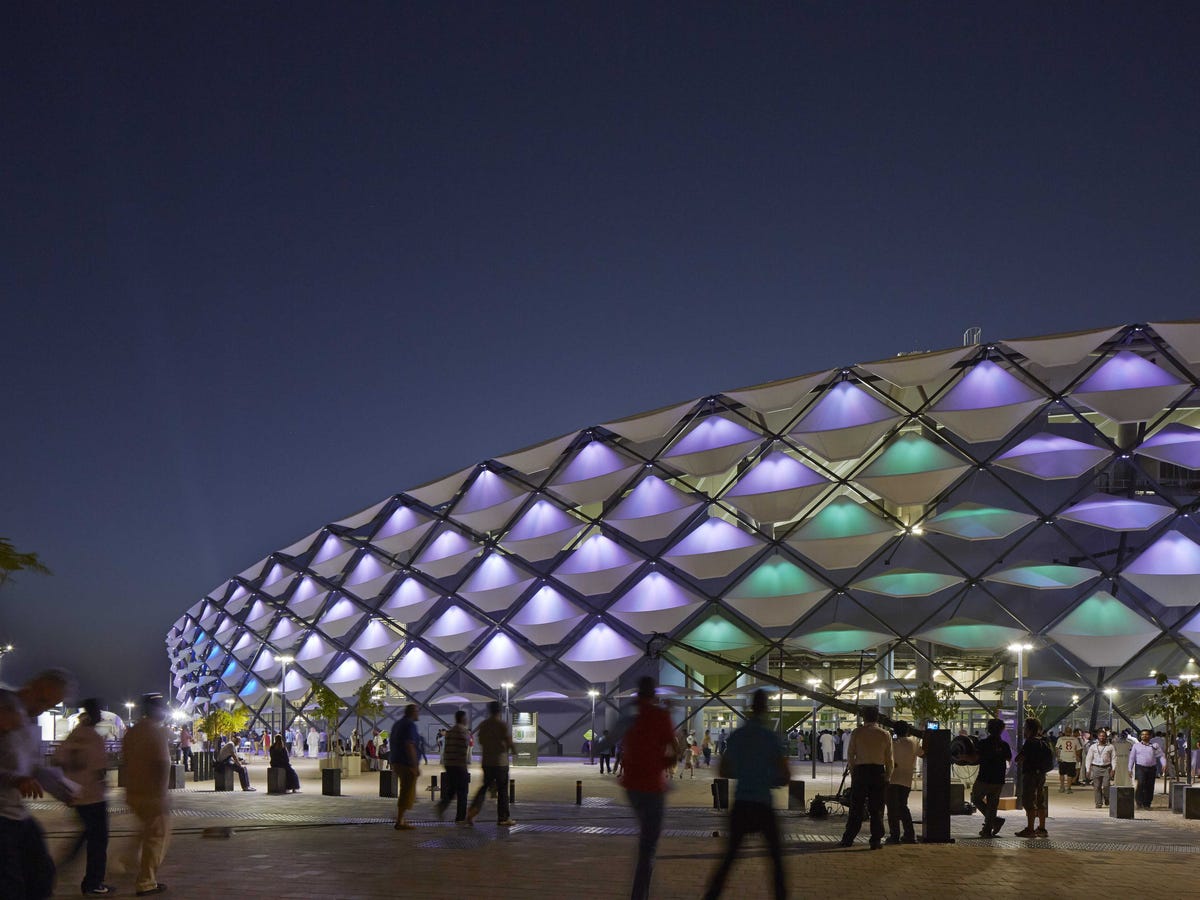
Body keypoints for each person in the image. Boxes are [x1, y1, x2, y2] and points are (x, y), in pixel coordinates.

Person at [701, 690, 788, 900]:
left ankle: (711, 896)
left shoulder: (737, 736)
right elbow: (785, 775)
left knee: (729, 858)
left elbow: (723, 771)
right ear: (766, 709)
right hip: (763, 804)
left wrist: (744, 771)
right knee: (776, 860)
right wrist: (768, 778)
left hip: (741, 803)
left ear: (750, 708)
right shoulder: (771, 737)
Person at [0, 669, 76, 899]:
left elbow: (32, 767)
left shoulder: (32, 724)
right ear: (30, 687)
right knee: (10, 884)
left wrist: (61, 788)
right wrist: (17, 779)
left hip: (17, 815)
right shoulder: (5, 706)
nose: (42, 708)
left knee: (41, 875)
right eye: (43, 700)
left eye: (51, 704)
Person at [618, 677, 676, 900]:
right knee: (648, 846)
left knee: (645, 837)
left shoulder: (630, 716)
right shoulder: (661, 716)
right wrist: (663, 762)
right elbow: (673, 751)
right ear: (654, 693)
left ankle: (640, 893)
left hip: (631, 786)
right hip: (652, 786)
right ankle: (639, 895)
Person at [54, 698, 114, 895]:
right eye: (98, 712)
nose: (100, 716)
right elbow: (100, 771)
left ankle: (66, 862)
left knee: (88, 834)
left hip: (78, 796)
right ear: (92, 713)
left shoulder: (75, 734)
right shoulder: (93, 737)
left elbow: (59, 759)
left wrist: (71, 781)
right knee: (98, 841)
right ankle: (93, 883)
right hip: (94, 797)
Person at [122, 694, 171, 896]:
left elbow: (124, 760)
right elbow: (162, 763)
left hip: (133, 791)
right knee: (157, 838)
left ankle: (127, 859)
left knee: (147, 831)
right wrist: (162, 795)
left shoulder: (132, 732)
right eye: (162, 708)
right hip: (152, 794)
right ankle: (146, 882)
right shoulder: (155, 733)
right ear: (155, 710)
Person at [840, 707, 893, 849]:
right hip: (878, 772)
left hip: (861, 771)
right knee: (876, 808)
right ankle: (875, 840)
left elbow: (850, 755)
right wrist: (888, 776)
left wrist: (853, 772)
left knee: (856, 806)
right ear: (877, 718)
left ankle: (848, 838)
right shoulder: (885, 734)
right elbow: (889, 759)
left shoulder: (857, 733)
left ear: (864, 717)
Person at [466, 701, 516, 827]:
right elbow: (508, 741)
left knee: (483, 788)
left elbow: (481, 741)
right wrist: (513, 750)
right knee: (503, 790)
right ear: (499, 711)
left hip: (487, 762)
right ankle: (503, 818)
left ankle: (471, 813)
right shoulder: (501, 724)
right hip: (500, 762)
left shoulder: (483, 724)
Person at [966, 718, 1012, 838]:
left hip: (984, 778)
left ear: (988, 729)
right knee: (992, 804)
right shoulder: (1004, 745)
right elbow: (1008, 758)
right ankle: (988, 829)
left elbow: (975, 759)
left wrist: (962, 757)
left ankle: (994, 821)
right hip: (999, 779)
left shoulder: (983, 743)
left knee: (976, 799)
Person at [885, 721, 922, 845]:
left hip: (892, 778)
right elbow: (923, 753)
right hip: (906, 779)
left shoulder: (891, 743)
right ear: (908, 731)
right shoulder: (914, 742)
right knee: (903, 807)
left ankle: (894, 835)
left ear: (895, 731)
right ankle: (909, 835)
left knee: (892, 809)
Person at [1014, 717, 1052, 838]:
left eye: (1025, 728)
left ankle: (1030, 829)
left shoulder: (1030, 742)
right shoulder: (1045, 741)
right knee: (1040, 801)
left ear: (1029, 729)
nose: (1024, 730)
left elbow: (1019, 759)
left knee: (1028, 801)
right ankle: (1042, 828)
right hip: (1041, 774)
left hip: (1030, 774)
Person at [389, 705, 421, 829]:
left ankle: (401, 818)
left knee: (406, 789)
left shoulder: (397, 724)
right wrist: (414, 765)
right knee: (406, 791)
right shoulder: (410, 725)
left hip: (397, 761)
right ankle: (399, 820)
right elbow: (409, 745)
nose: (418, 714)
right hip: (406, 763)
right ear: (412, 712)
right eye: (417, 711)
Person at [437, 710, 471, 824]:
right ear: (462, 719)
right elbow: (465, 747)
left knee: (452, 789)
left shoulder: (450, 731)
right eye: (466, 718)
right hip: (459, 764)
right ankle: (461, 817)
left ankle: (442, 806)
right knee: (462, 790)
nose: (467, 720)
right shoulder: (464, 731)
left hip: (449, 764)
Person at [1129, 729, 1165, 810]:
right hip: (1140, 767)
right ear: (1140, 736)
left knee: (1150, 786)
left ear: (1150, 736)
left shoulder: (1155, 745)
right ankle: (1139, 802)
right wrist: (1129, 768)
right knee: (1140, 784)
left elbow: (1161, 755)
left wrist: (1164, 764)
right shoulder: (1136, 746)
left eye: (1146, 734)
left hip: (1152, 768)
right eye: (1142, 734)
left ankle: (1147, 803)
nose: (1144, 736)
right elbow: (1132, 758)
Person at [1085, 730, 1115, 809]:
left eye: (1103, 736)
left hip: (1106, 768)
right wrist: (1088, 769)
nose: (1102, 737)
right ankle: (1098, 803)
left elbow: (1114, 758)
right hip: (1096, 767)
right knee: (1097, 786)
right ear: (1098, 737)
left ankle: (1106, 798)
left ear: (1106, 737)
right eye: (1100, 736)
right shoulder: (1093, 747)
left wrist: (1113, 769)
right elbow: (1089, 758)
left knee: (1106, 785)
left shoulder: (1110, 747)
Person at [1055, 729, 1080, 793]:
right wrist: (1077, 756)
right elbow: (1078, 749)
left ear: (1065, 732)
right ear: (1071, 732)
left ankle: (1062, 787)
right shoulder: (1075, 739)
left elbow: (1057, 748)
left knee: (1062, 774)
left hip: (1062, 758)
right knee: (1070, 775)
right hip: (1072, 758)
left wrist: (1057, 756)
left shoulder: (1060, 739)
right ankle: (1068, 788)